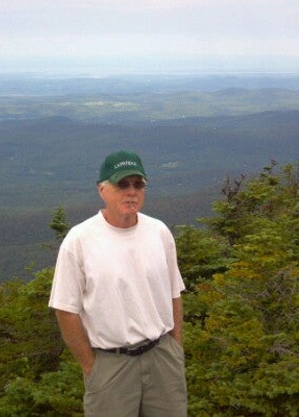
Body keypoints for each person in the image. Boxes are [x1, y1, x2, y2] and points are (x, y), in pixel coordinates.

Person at [48, 150, 187, 417]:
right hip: (110, 364)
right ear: (102, 189)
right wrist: (91, 366)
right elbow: (65, 310)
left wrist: (175, 347)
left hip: (162, 358)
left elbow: (174, 294)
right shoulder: (79, 240)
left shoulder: (159, 232)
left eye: (138, 184)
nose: (131, 192)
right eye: (122, 184)